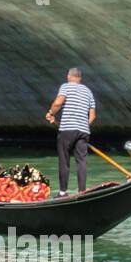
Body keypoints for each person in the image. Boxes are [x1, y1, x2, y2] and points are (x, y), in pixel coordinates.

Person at [45, 67, 96, 197]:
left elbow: (58, 103)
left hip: (67, 130)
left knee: (64, 161)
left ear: (69, 76)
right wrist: (84, 125)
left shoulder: (66, 86)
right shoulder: (88, 91)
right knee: (81, 162)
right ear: (80, 78)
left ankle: (63, 192)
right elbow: (92, 116)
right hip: (83, 131)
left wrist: (50, 113)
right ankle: (82, 191)